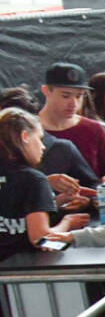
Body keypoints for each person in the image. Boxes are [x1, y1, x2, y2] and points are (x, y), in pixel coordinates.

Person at [0, 108, 86, 260]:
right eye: (39, 139)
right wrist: (68, 223)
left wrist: (52, 203)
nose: (43, 146)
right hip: (23, 268)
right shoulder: (34, 179)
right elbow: (42, 239)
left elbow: (13, 210)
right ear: (25, 136)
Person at [39, 62, 105, 178]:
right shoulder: (31, 129)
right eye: (65, 96)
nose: (73, 103)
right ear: (46, 91)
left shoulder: (94, 129)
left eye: (79, 96)